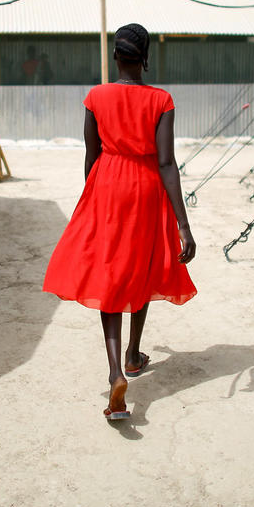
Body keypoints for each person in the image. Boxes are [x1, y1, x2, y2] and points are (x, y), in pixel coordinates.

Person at [43, 23, 197, 420]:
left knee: (110, 275)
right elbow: (166, 162)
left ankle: (116, 373)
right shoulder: (162, 100)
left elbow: (90, 156)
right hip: (147, 190)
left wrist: (91, 202)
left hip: (108, 188)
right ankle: (132, 354)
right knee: (142, 269)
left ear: (116, 55)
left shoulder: (96, 97)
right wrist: (183, 224)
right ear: (145, 59)